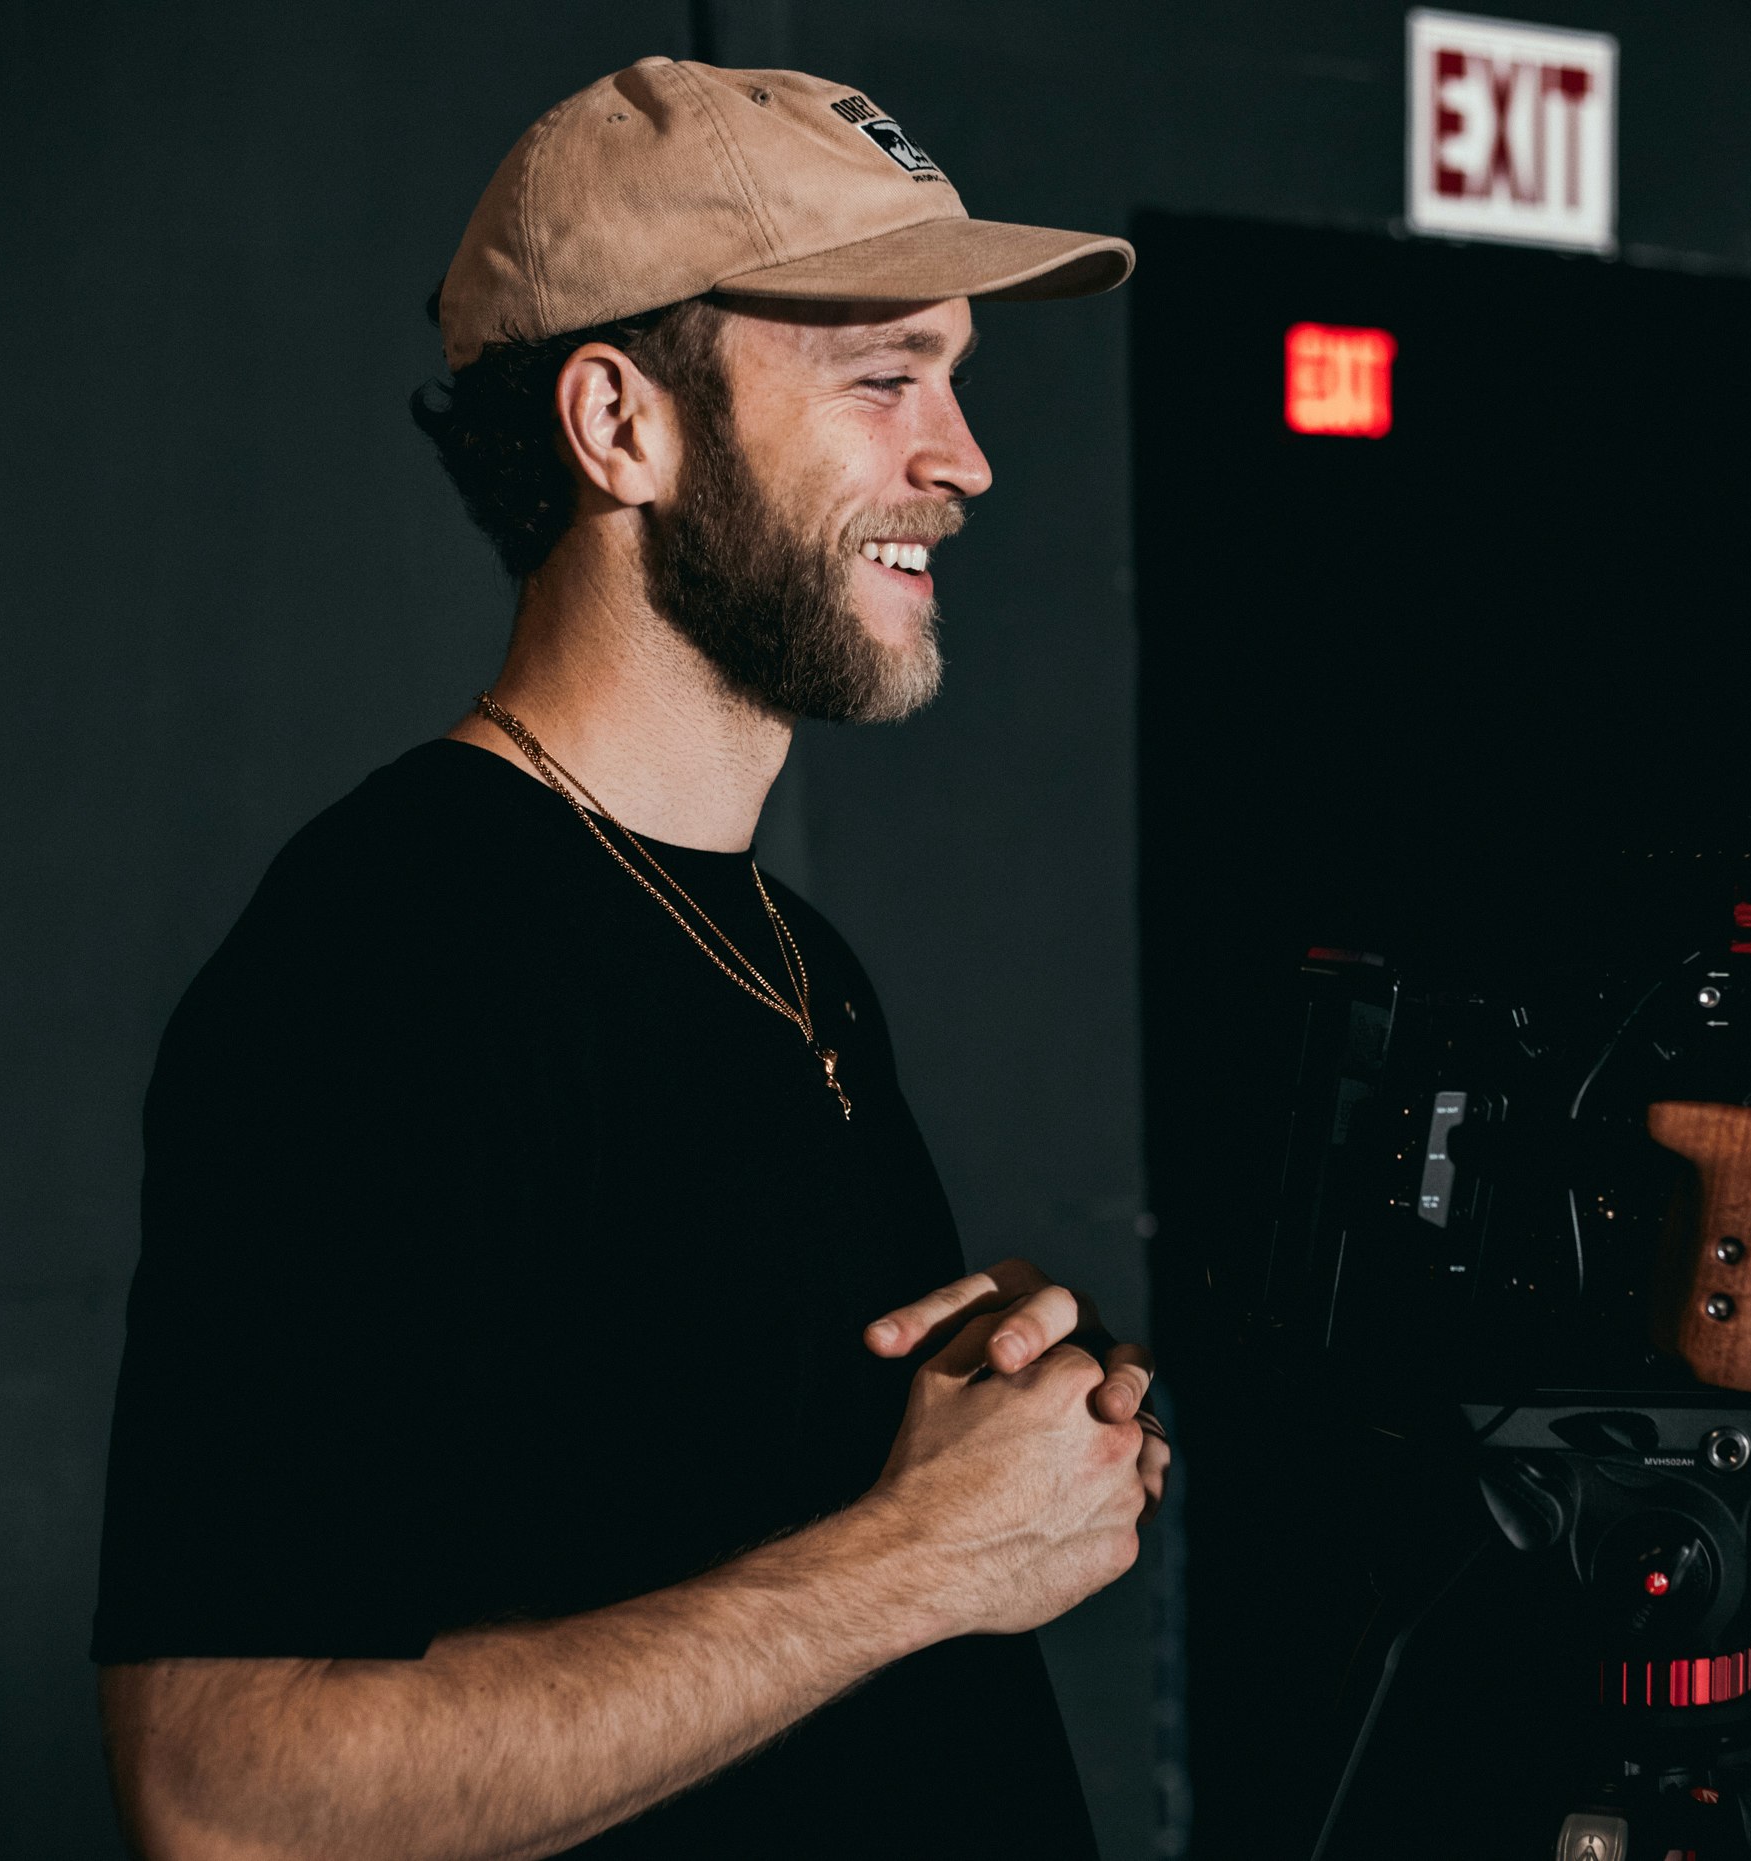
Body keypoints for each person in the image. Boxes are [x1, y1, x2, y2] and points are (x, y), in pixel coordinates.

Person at [89, 57, 1160, 1861]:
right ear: (619, 424)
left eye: (956, 379)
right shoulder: (380, 962)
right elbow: (225, 1795)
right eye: (883, 375)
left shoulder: (790, 950)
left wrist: (1005, 1430)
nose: (962, 458)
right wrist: (919, 1559)